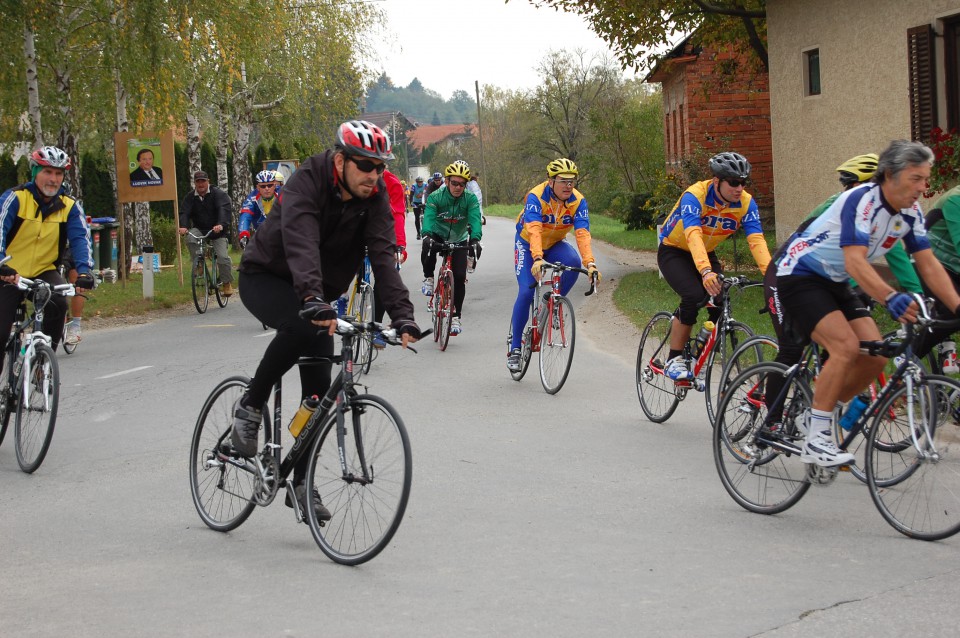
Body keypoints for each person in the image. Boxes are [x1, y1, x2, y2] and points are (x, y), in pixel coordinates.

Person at [233, 120, 421, 520]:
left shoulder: (375, 198)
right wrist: (313, 298)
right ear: (340, 161)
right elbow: (301, 242)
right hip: (267, 276)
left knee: (317, 397)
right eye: (365, 165)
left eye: (380, 167)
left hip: (316, 296)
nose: (374, 175)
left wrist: (403, 317)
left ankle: (300, 483)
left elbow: (384, 258)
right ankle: (250, 406)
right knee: (302, 325)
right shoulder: (306, 182)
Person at [774, 140, 960, 467]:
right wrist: (891, 297)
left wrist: (957, 307)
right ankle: (817, 438)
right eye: (916, 178)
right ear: (890, 174)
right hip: (800, 272)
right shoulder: (861, 201)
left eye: (925, 178)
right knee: (845, 346)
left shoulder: (909, 212)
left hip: (835, 281)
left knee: (875, 355)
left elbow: (928, 262)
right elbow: (855, 262)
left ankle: (815, 412)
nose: (923, 186)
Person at [762, 154, 923, 417]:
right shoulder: (846, 204)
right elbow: (840, 256)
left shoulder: (885, 212)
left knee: (859, 345)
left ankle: (819, 402)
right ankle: (772, 422)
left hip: (831, 280)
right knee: (792, 349)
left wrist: (917, 293)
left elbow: (893, 255)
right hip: (785, 273)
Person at [657, 151, 771, 382]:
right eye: (734, 182)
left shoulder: (746, 203)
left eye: (743, 182)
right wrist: (706, 271)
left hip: (706, 253)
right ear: (717, 181)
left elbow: (756, 240)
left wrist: (772, 276)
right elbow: (693, 234)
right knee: (694, 294)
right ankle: (674, 358)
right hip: (674, 250)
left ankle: (701, 352)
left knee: (722, 299)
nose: (740, 188)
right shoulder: (695, 195)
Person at [0, 146, 95, 362]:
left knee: (59, 304)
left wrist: (84, 272)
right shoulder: (15, 198)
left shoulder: (69, 206)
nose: (53, 179)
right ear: (35, 173)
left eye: (58, 173)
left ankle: (43, 364)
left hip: (44, 270)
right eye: (47, 172)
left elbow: (81, 239)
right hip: (8, 272)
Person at [506, 158, 599, 371]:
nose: (568, 185)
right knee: (526, 292)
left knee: (573, 263)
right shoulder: (535, 196)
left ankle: (552, 301)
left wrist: (591, 263)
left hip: (556, 243)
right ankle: (516, 348)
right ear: (550, 181)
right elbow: (534, 229)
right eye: (563, 180)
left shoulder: (578, 201)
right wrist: (537, 258)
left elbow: (583, 234)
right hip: (528, 243)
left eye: (572, 181)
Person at [420, 162, 482, 336]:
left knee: (460, 277)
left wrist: (476, 239)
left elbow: (476, 220)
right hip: (438, 233)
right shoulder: (436, 197)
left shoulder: (469, 198)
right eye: (454, 183)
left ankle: (456, 316)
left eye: (462, 184)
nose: (458, 187)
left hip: (459, 237)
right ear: (446, 181)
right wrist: (427, 234)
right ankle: (429, 278)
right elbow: (429, 219)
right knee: (428, 246)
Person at [178, 171, 234, 296]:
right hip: (200, 229)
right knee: (190, 238)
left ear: (208, 181)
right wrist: (183, 227)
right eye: (198, 181)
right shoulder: (190, 197)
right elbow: (184, 213)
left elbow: (223, 209)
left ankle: (226, 282)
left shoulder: (218, 194)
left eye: (203, 181)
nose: (201, 184)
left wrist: (221, 224)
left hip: (217, 231)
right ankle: (199, 264)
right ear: (195, 183)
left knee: (223, 257)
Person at [372, 168, 409, 348]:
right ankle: (342, 296)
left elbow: (398, 215)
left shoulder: (392, 183)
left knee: (383, 279)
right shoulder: (351, 177)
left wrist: (400, 245)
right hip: (356, 227)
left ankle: (376, 327)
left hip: (382, 233)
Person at [238, 170, 279, 248]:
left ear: (274, 185)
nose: (267, 188)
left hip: (281, 232)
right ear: (258, 187)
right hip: (262, 233)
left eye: (270, 185)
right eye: (263, 186)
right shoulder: (252, 198)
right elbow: (245, 216)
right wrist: (243, 235)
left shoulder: (282, 193)